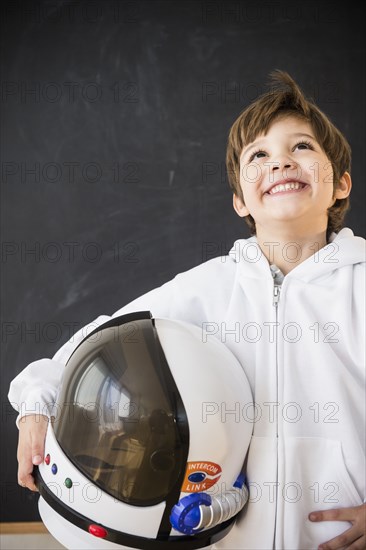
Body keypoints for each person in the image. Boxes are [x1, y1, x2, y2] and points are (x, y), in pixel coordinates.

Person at [8, 71, 366, 549]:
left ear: (340, 183)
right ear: (241, 200)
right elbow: (94, 344)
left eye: (301, 147)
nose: (280, 162)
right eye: (258, 155)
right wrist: (35, 405)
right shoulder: (207, 287)